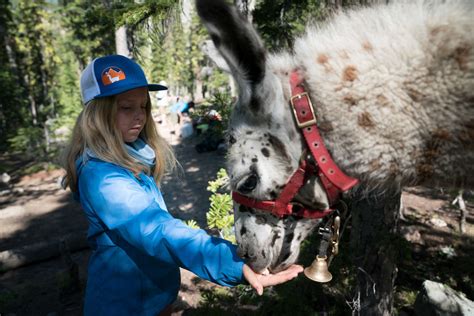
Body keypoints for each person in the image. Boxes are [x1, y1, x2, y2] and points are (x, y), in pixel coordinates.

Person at [61, 55, 303, 316]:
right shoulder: (102, 177)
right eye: (126, 107)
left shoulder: (129, 156)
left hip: (151, 298)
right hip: (124, 305)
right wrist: (231, 262)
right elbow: (155, 229)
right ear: (98, 114)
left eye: (143, 106)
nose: (139, 116)